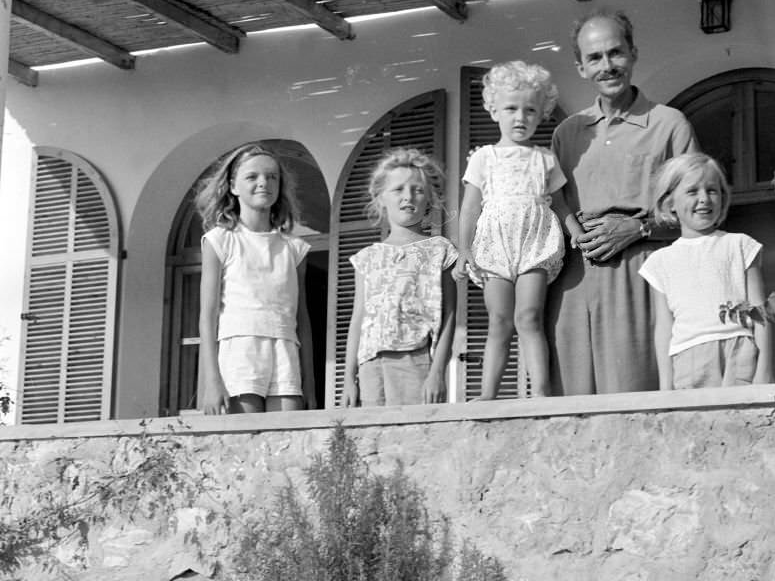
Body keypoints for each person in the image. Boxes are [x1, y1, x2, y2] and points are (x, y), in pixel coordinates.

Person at [548, 8, 700, 395]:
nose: (607, 66)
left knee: (638, 397)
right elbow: (552, 207)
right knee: (571, 406)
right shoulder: (568, 133)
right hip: (573, 283)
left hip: (641, 276)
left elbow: (698, 212)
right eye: (594, 58)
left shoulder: (669, 124)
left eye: (615, 53)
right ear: (580, 67)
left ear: (633, 53)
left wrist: (639, 227)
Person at [454, 61, 583, 400]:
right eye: (511, 108)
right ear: (494, 109)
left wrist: (575, 232)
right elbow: (470, 207)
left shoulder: (545, 159)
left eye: (530, 109)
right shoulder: (484, 158)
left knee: (528, 317)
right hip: (495, 246)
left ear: (542, 113)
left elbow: (560, 203)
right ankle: (488, 394)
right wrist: (463, 251)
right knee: (499, 320)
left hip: (534, 244)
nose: (520, 117)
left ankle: (540, 392)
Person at [197, 142, 316, 415]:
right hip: (241, 350)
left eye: (272, 177)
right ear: (233, 186)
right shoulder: (220, 241)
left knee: (288, 438)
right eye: (252, 177)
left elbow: (303, 319)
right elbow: (208, 315)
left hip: (284, 348)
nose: (264, 183)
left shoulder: (293, 248)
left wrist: (309, 382)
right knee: (243, 439)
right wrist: (211, 382)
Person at [639, 153, 773, 388]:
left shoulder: (739, 245)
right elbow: (663, 328)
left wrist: (765, 371)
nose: (704, 199)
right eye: (692, 192)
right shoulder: (660, 262)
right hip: (688, 359)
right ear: (670, 203)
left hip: (739, 351)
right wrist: (665, 385)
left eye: (712, 190)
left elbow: (760, 312)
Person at [343, 148, 457, 407]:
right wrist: (350, 377)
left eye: (417, 190)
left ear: (428, 198)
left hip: (416, 360)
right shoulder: (367, 257)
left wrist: (437, 371)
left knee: (417, 439)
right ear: (381, 197)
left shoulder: (439, 250)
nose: (408, 197)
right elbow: (358, 318)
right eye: (398, 190)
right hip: (370, 364)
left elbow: (450, 314)